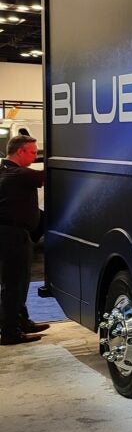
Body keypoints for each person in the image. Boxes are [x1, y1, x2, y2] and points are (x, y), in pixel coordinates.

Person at [0, 134, 48, 345]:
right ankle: (10, 333)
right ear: (20, 152)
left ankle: (21, 322)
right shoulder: (19, 174)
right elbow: (47, 175)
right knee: (13, 285)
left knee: (19, 282)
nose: (34, 156)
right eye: (31, 152)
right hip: (13, 236)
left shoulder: (6, 171)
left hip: (14, 235)